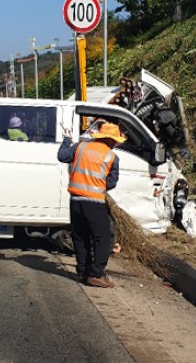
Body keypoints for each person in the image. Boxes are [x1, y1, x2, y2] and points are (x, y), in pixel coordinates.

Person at [57, 121, 126, 288]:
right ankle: (95, 274)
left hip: (75, 200)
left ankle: (82, 272)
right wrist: (96, 185)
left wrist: (67, 139)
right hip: (94, 202)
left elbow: (62, 156)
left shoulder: (79, 147)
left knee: (80, 237)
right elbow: (111, 183)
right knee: (102, 238)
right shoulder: (111, 157)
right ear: (111, 140)